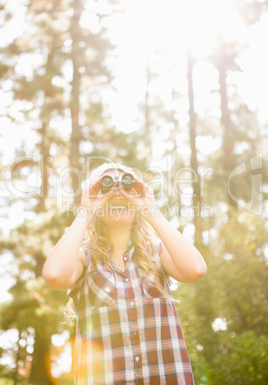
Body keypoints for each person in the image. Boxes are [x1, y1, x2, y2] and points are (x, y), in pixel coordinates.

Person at [42, 162, 207, 384]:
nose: (117, 193)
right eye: (107, 186)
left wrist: (150, 209)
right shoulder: (84, 259)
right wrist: (86, 210)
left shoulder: (158, 255)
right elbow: (54, 275)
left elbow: (196, 270)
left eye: (126, 186)